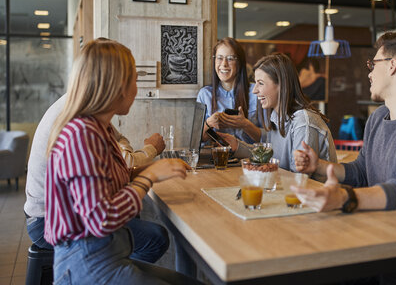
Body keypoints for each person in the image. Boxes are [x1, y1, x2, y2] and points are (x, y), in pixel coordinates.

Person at [44, 38, 199, 284]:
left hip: (106, 254)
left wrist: (152, 168)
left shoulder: (99, 129)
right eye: (134, 80)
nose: (137, 89)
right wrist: (149, 177)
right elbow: (101, 220)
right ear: (117, 86)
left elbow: (108, 180)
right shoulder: (81, 135)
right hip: (86, 265)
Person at [292, 30, 396, 228]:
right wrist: (318, 166)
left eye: (374, 63)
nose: (369, 73)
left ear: (392, 65)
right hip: (379, 227)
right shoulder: (378, 117)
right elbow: (362, 172)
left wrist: (345, 197)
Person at [24, 93, 168, 263]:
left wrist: (149, 170)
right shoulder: (80, 123)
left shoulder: (86, 111)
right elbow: (99, 213)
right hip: (50, 223)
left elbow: (120, 150)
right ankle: (115, 272)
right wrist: (148, 172)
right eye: (132, 81)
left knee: (137, 220)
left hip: (58, 216)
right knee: (155, 238)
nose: (135, 91)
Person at [221, 53, 336, 177]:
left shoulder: (304, 121)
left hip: (313, 193)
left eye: (260, 83)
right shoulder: (277, 117)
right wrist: (237, 146)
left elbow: (300, 177)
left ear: (281, 84)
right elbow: (269, 155)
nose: (254, 90)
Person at [197, 37, 261, 143]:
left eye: (230, 58)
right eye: (219, 58)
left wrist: (245, 124)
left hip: (250, 158)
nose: (224, 64)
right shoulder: (205, 94)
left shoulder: (256, 92)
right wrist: (209, 123)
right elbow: (198, 141)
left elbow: (269, 138)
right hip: (217, 157)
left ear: (240, 62)